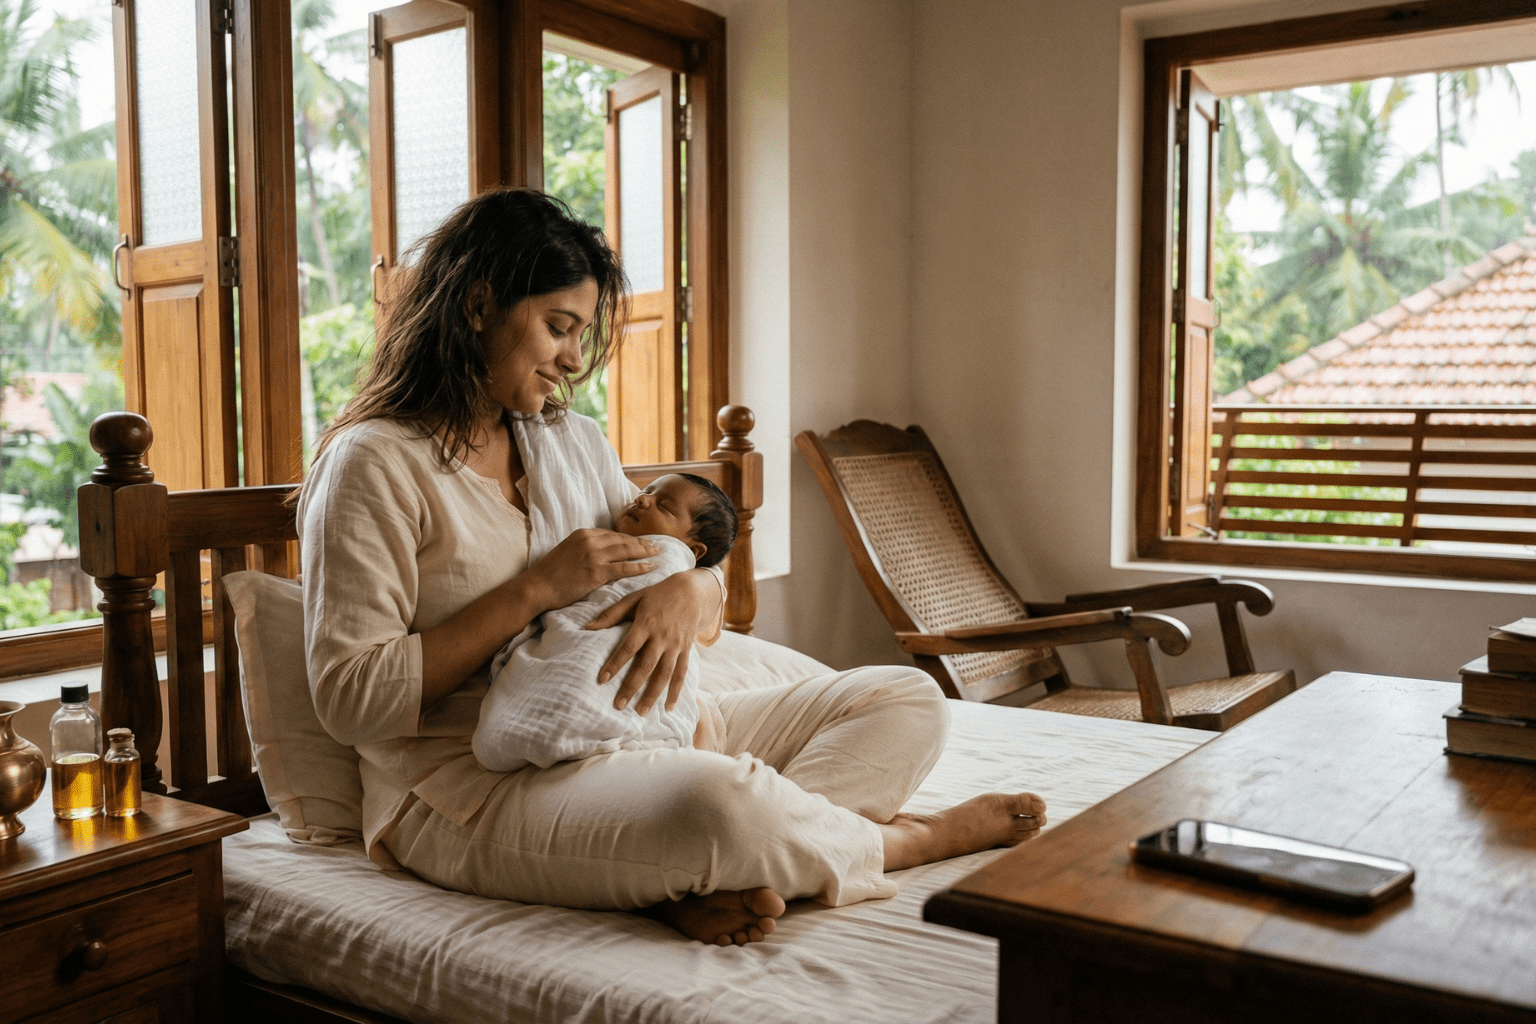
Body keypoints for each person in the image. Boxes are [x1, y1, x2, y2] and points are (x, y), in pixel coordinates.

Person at [299, 187, 1047, 948]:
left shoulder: (569, 445)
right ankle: (901, 843)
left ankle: (708, 866)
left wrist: (698, 584)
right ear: (479, 305)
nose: (573, 359)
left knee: (906, 697)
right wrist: (537, 589)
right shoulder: (373, 466)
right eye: (559, 328)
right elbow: (349, 699)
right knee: (716, 805)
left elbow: (671, 560)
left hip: (635, 725)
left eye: (580, 334)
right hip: (466, 785)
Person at [471, 473, 737, 772]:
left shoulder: (670, 557)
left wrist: (691, 586)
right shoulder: (606, 542)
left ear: (694, 550)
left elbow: (711, 588)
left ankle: (587, 721)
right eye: (647, 490)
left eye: (663, 506)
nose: (641, 498)